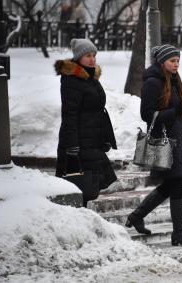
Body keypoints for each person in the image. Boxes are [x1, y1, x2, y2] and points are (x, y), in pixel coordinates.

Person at [125, 44, 182, 247]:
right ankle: (179, 233)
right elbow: (147, 114)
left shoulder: (174, 80)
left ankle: (137, 216)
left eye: (178, 61)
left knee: (173, 184)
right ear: (162, 62)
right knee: (178, 182)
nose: (176, 64)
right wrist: (172, 113)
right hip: (164, 141)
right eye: (172, 61)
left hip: (176, 139)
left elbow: (181, 115)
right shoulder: (152, 83)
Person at [54, 38, 117, 207]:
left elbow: (96, 111)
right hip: (79, 141)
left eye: (94, 55)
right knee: (80, 184)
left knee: (90, 184)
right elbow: (69, 115)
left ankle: (85, 219)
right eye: (88, 55)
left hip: (92, 139)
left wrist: (104, 137)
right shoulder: (71, 80)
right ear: (78, 58)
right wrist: (72, 145)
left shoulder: (90, 77)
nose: (92, 59)